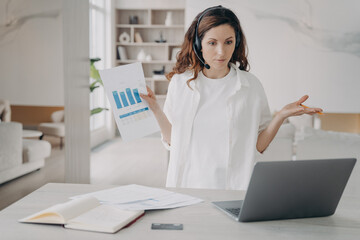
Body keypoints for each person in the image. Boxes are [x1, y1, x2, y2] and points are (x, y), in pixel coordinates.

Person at [140, 6, 322, 190]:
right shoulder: (181, 84)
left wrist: (281, 115)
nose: (221, 52)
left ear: (236, 43)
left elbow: (257, 146)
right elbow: (173, 141)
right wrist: (155, 108)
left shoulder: (251, 86)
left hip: (234, 189)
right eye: (212, 43)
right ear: (198, 44)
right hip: (187, 187)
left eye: (228, 42)